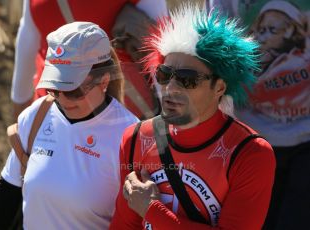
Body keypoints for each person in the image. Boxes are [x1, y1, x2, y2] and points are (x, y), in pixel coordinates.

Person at [109, 4, 276, 230]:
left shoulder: (251, 153)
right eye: (165, 74)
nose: (170, 88)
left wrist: (151, 209)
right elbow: (124, 225)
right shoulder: (135, 138)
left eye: (188, 79)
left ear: (219, 87)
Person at [0, 22, 139, 230]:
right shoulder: (38, 114)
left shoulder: (131, 136)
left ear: (104, 80)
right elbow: (5, 200)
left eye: (73, 90)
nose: (63, 99)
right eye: (54, 88)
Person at [210, 0, 310, 229]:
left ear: (292, 31)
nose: (263, 37)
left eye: (272, 30)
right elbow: (217, 50)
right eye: (261, 30)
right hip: (251, 136)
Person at [11, 0, 168, 121]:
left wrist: (20, 113)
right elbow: (162, 50)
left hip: (56, 110)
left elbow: (28, 40)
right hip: (119, 114)